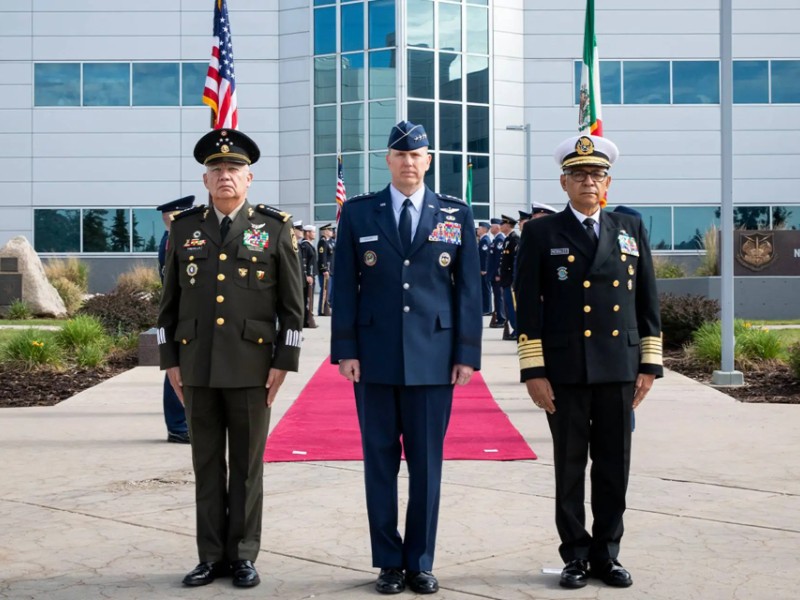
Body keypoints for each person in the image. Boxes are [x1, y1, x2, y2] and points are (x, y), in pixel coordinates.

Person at [331, 120, 482, 596]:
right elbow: (344, 287)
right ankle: (388, 562)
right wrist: (346, 350)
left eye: (417, 155)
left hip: (434, 359)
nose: (408, 162)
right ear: (388, 160)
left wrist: (466, 355)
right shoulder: (358, 214)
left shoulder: (455, 213)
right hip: (373, 359)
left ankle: (419, 561)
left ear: (429, 160)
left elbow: (469, 291)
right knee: (379, 462)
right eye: (400, 155)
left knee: (426, 465)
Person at [157, 128, 305, 589]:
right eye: (217, 169)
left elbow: (294, 308)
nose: (225, 176)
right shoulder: (184, 229)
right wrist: (170, 362)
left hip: (252, 367)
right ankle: (210, 556)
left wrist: (285, 362)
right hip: (197, 364)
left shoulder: (274, 228)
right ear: (205, 180)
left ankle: (242, 555)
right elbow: (168, 305)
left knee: (245, 466)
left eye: (234, 169)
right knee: (206, 465)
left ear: (249, 178)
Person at [515, 134, 663, 590]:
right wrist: (534, 371)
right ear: (564, 183)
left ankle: (608, 553)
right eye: (578, 175)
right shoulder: (541, 232)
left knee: (615, 465)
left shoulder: (629, 228)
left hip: (618, 365)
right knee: (571, 466)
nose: (588, 183)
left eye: (596, 175)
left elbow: (647, 299)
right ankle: (575, 555)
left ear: (608, 182)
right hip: (566, 370)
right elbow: (528, 308)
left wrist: (649, 364)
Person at [155, 194, 195, 445]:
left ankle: (182, 424)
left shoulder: (174, 239)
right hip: (180, 313)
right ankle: (178, 426)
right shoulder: (171, 241)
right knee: (177, 370)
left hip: (184, 313)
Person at [498, 214, 519, 341]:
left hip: (510, 280)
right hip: (506, 279)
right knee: (508, 306)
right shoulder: (507, 239)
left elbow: (513, 262)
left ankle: (517, 329)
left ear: (507, 225)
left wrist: (512, 279)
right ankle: (514, 328)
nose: (501, 226)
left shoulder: (514, 240)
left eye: (502, 224)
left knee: (513, 306)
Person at [487, 217, 505, 328]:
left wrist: (498, 274)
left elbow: (500, 259)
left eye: (492, 226)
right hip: (493, 274)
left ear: (497, 227)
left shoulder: (499, 239)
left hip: (497, 275)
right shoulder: (495, 239)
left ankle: (501, 319)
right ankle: (499, 317)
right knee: (497, 297)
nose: (490, 228)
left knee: (499, 297)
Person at [300, 224, 318, 328]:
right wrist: (308, 275)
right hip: (308, 277)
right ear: (307, 233)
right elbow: (304, 262)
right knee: (306, 299)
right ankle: (306, 320)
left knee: (309, 299)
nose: (314, 234)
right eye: (313, 232)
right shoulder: (304, 245)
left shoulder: (309, 245)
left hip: (311, 276)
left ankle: (308, 319)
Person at [317, 222, 335, 316]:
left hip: (331, 270)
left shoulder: (330, 241)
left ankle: (326, 309)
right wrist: (324, 269)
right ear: (325, 231)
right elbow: (322, 256)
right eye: (330, 230)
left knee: (329, 290)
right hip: (326, 270)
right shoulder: (323, 242)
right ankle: (322, 310)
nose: (331, 231)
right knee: (325, 290)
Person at [477, 221, 493, 316]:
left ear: (484, 229)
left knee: (486, 289)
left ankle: (487, 309)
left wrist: (484, 269)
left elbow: (485, 256)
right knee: (484, 289)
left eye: (479, 228)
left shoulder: (485, 240)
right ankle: (485, 308)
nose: (477, 230)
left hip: (484, 271)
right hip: (482, 270)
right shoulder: (482, 239)